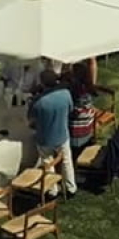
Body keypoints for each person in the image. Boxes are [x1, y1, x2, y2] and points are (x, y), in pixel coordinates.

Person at [27, 69, 77, 197]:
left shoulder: (38, 102)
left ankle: (52, 189)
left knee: (48, 163)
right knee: (66, 160)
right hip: (62, 134)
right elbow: (70, 110)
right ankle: (71, 187)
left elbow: (31, 119)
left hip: (45, 138)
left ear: (42, 83)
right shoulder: (66, 94)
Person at [67, 62, 98, 152]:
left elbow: (72, 110)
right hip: (88, 128)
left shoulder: (75, 92)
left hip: (76, 132)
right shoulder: (88, 88)